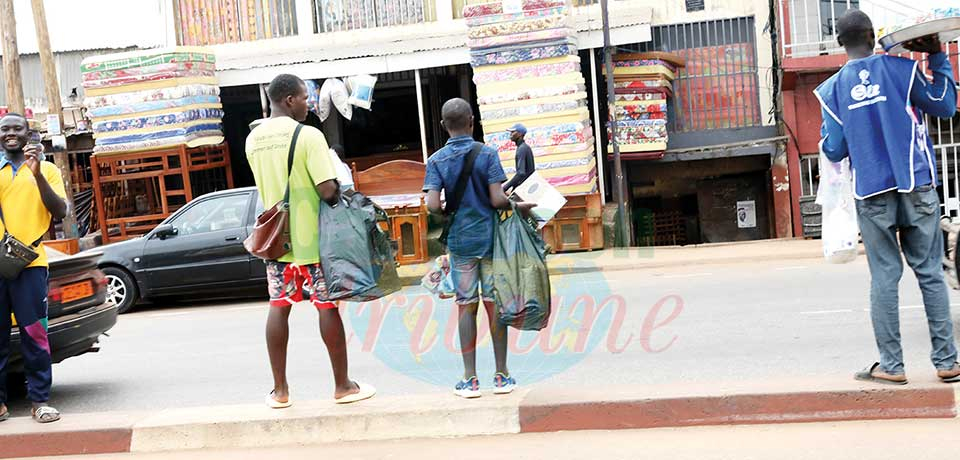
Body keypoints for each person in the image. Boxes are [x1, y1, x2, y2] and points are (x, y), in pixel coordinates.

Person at [816, 9, 960, 385]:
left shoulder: (832, 91)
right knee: (929, 272)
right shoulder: (902, 69)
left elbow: (834, 150)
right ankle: (947, 363)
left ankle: (892, 367)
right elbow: (944, 105)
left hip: (872, 193)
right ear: (872, 35)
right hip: (917, 185)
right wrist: (936, 55)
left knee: (884, 278)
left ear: (840, 42)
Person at [246, 74, 375, 406]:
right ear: (289, 99)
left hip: (276, 241)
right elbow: (327, 190)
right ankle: (343, 386)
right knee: (327, 307)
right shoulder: (309, 136)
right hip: (314, 242)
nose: (309, 103)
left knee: (278, 308)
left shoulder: (253, 139)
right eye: (305, 97)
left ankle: (280, 391)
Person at [423, 98, 534, 398]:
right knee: (494, 304)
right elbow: (498, 200)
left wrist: (447, 213)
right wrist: (519, 206)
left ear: (444, 125)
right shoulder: (487, 154)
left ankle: (469, 380)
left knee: (465, 305)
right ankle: (501, 376)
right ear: (472, 120)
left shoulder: (436, 160)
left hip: (460, 243)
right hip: (490, 240)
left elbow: (433, 205)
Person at [0, 114, 67, 423]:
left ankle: (40, 401)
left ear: (29, 134)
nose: (11, 133)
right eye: (5, 129)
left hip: (31, 264)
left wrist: (37, 173)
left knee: (35, 334)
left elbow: (60, 211)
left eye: (17, 128)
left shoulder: (49, 170)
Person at [502, 123, 535, 194]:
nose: (510, 134)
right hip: (527, 186)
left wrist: (505, 187)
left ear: (520, 134)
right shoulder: (524, 147)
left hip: (525, 188)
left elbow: (521, 173)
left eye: (513, 132)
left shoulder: (522, 149)